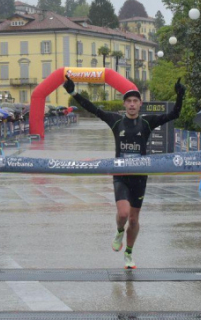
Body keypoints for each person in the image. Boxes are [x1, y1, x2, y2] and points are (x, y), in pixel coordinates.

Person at [65, 74, 185, 269]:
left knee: (134, 219)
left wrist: (180, 97)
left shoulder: (147, 122)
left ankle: (128, 253)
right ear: (124, 104)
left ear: (140, 104)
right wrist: (73, 92)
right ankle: (119, 230)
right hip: (120, 175)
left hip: (139, 177)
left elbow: (173, 115)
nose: (131, 104)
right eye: (128, 101)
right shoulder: (115, 121)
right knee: (123, 213)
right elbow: (93, 108)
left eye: (135, 101)